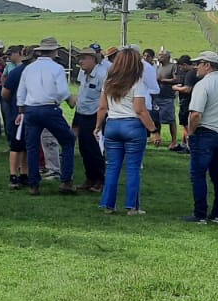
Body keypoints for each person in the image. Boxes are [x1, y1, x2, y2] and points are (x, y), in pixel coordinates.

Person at [180, 52, 218, 224]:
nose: (196, 67)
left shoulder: (203, 84)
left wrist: (190, 133)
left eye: (198, 64)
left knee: (198, 174)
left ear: (207, 65)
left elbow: (196, 114)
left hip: (204, 133)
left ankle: (200, 214)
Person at [96, 48, 157, 215]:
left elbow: (102, 107)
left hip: (112, 125)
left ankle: (108, 205)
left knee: (112, 167)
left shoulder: (108, 81)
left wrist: (98, 126)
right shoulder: (137, 82)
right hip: (133, 126)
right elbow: (140, 110)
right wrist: (153, 129)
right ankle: (132, 207)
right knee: (133, 168)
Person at [15, 38, 78, 196]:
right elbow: (62, 90)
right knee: (68, 140)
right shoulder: (57, 68)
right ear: (54, 52)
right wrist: (67, 100)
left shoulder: (28, 69)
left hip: (31, 109)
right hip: (50, 108)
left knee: (32, 147)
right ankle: (66, 181)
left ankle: (34, 184)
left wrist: (21, 110)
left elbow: (21, 92)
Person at [71, 47, 107, 192]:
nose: (80, 61)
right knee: (84, 148)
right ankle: (90, 178)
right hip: (82, 113)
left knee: (94, 149)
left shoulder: (102, 75)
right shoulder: (82, 73)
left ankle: (100, 180)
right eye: (79, 58)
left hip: (95, 115)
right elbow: (83, 94)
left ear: (93, 59)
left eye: (84, 58)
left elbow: (106, 98)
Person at [0, 46, 28, 188]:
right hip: (20, 112)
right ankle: (17, 174)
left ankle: (20, 174)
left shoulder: (17, 71)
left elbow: (5, 93)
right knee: (20, 145)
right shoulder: (18, 72)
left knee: (21, 145)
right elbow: (5, 93)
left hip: (18, 112)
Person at [155, 50, 182, 150]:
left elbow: (176, 79)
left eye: (161, 56)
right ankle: (157, 138)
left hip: (168, 97)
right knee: (157, 119)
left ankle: (173, 141)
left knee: (171, 120)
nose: (159, 57)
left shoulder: (173, 66)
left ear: (167, 57)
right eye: (159, 55)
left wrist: (163, 80)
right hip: (158, 96)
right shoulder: (158, 67)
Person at [173, 55, 198, 154]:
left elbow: (187, 89)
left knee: (186, 125)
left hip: (187, 102)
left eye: (180, 67)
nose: (180, 69)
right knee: (184, 124)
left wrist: (175, 88)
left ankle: (189, 146)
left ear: (184, 65)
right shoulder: (194, 73)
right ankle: (183, 144)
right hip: (190, 101)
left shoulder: (190, 74)